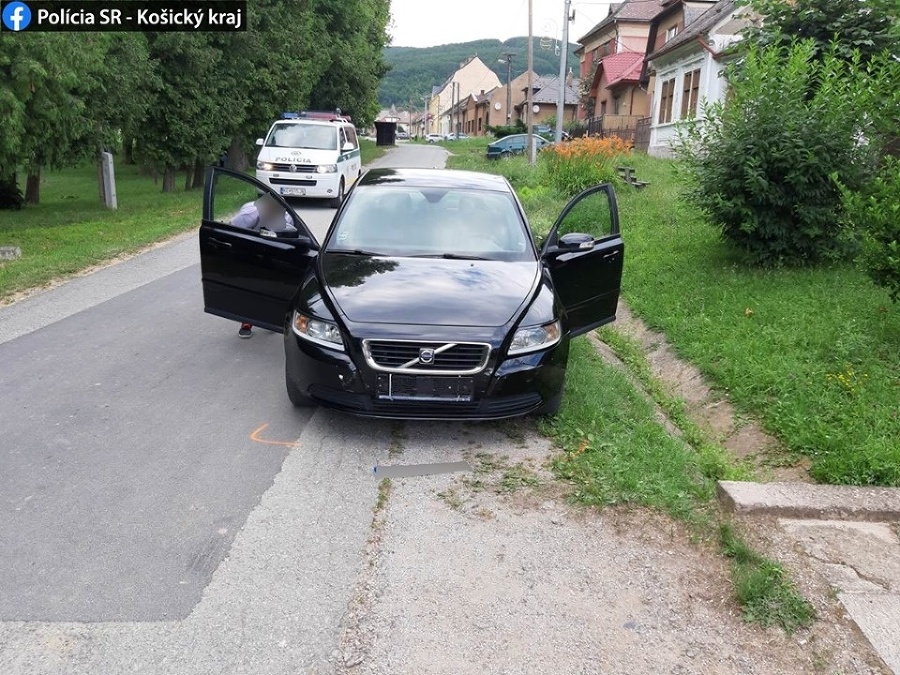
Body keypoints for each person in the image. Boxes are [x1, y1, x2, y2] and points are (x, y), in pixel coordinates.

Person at [230, 194, 297, 338]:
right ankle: (247, 321)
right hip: (248, 246)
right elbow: (233, 234)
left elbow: (286, 240)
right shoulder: (249, 215)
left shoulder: (287, 219)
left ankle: (270, 317)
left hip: (271, 247)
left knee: (272, 285)